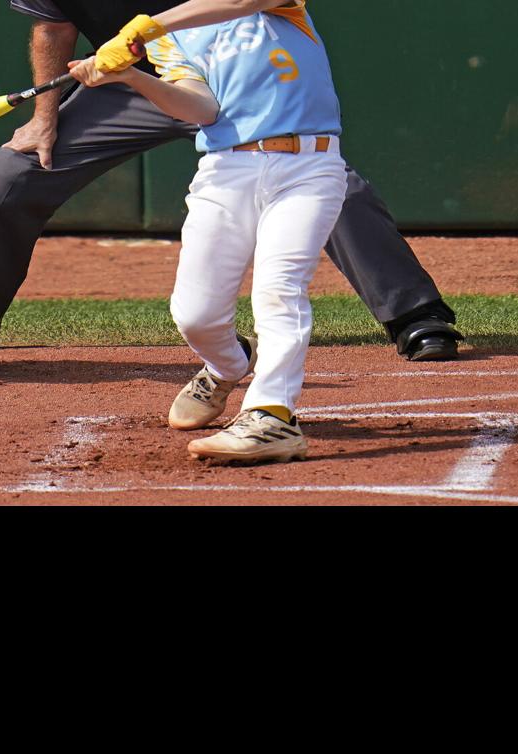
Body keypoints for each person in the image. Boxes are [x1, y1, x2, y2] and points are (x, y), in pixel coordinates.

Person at [0, 0, 465, 363]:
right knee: (6, 177)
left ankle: (414, 315)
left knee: (327, 183)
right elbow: (53, 29)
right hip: (135, 82)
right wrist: (44, 115)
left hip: (240, 66)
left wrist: (147, 27)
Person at [69, 0, 353, 463]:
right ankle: (227, 365)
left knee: (279, 289)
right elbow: (202, 109)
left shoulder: (273, 8)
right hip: (226, 169)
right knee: (194, 315)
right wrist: (133, 77)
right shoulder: (169, 37)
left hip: (309, 165)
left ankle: (272, 417)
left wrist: (144, 27)